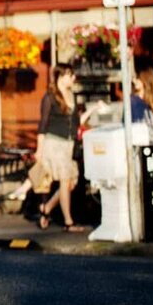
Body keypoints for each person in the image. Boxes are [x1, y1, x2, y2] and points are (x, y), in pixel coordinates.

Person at [36, 63, 104, 232]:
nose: (73, 78)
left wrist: (93, 108)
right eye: (70, 75)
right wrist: (39, 149)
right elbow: (43, 125)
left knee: (70, 184)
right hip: (54, 144)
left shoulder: (71, 96)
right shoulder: (49, 97)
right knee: (64, 181)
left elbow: (76, 123)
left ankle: (47, 208)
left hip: (69, 145)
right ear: (60, 77)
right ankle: (69, 222)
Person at [130, 66, 153, 142]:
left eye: (138, 78)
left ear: (145, 80)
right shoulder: (132, 100)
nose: (134, 81)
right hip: (139, 142)